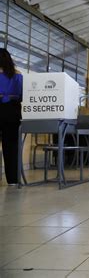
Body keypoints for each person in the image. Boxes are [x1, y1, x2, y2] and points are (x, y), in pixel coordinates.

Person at [0, 48, 23, 186]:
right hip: (12, 110)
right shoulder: (17, 75)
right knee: (11, 146)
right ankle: (13, 180)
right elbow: (22, 95)